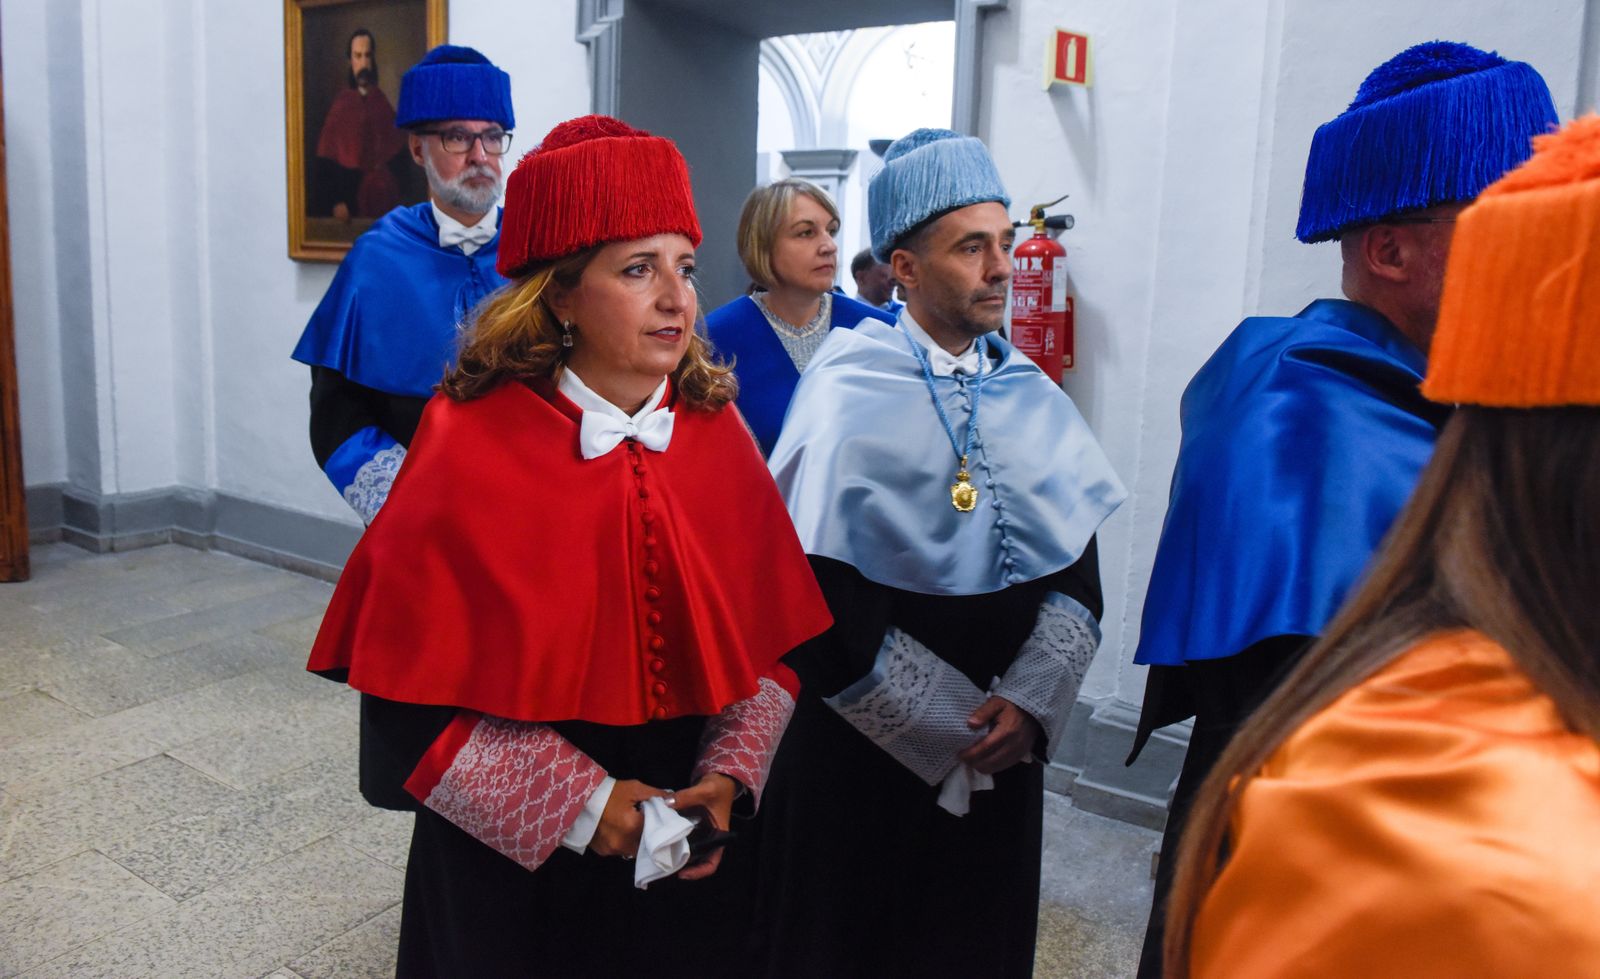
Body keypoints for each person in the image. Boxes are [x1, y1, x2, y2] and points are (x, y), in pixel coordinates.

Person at [304, 114, 833, 978]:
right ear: (559, 293)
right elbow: (408, 707)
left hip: (686, 846)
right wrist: (587, 807)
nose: (677, 298)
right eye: (637, 269)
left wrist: (728, 779)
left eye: (685, 267)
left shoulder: (715, 432)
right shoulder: (466, 442)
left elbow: (771, 644)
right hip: (515, 873)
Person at [1126, 42, 1558, 976]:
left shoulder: (1486, 397)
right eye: (1509, 225)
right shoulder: (1291, 408)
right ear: (1392, 249)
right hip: (1313, 866)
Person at [755, 129, 1127, 977]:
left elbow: (1077, 570)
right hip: (865, 756)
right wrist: (946, 726)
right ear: (907, 268)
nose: (1001, 266)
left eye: (1002, 242)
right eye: (972, 247)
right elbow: (819, 600)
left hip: (1005, 740)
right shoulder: (846, 389)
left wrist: (1030, 703)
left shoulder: (1029, 391)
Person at [291, 45, 516, 524]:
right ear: (418, 149)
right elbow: (337, 411)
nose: (480, 156)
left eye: (493, 138)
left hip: (527, 507)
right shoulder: (377, 256)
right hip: (417, 513)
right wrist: (405, 501)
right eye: (458, 138)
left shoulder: (542, 253)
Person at [705, 179, 895, 456]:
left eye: (831, 231)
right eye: (806, 233)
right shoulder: (713, 339)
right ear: (763, 246)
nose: (829, 246)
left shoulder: (878, 331)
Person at [313, 28, 406, 220]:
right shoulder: (341, 105)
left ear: (373, 59)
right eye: (358, 56)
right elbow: (326, 160)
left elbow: (398, 154)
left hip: (382, 200)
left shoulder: (381, 102)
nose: (363, 63)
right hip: (348, 199)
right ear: (350, 61)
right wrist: (336, 201)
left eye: (367, 56)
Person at [849, 247, 901, 314]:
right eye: (885, 276)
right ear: (861, 278)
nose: (894, 282)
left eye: (893, 278)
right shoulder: (844, 315)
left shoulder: (903, 316)